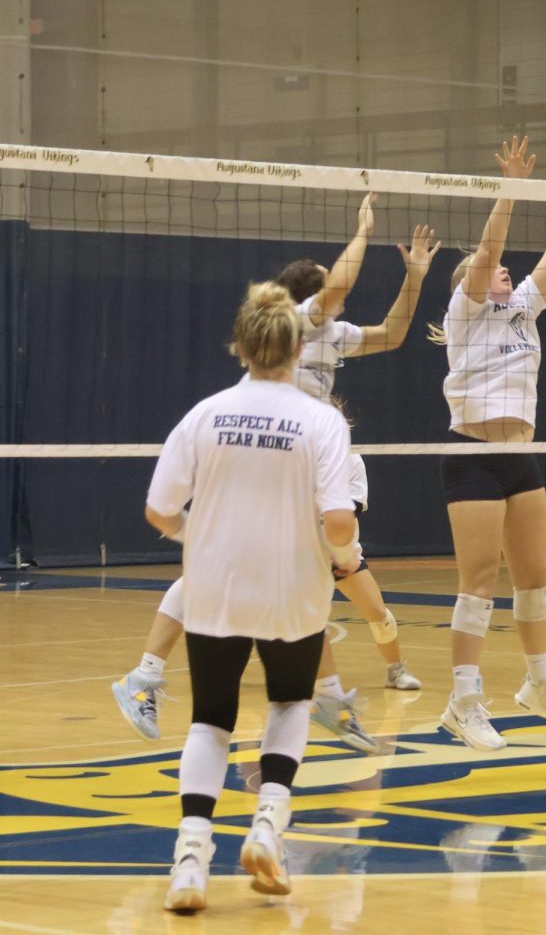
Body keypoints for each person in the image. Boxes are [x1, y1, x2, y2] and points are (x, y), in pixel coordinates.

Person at [113, 199, 438, 750]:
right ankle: (146, 675)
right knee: (230, 568)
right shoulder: (298, 320)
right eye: (327, 294)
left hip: (303, 461)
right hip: (271, 450)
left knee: (295, 577)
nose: (336, 300)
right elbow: (336, 288)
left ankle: (328, 700)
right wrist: (362, 233)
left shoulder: (332, 334)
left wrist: (416, 277)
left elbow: (394, 333)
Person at [146, 281, 358, 912]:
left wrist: (200, 534)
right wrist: (344, 557)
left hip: (216, 585)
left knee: (211, 718)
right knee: (291, 702)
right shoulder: (323, 420)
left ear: (240, 346)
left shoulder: (204, 413)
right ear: (298, 349)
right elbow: (340, 523)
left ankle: (190, 861)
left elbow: (159, 511)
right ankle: (268, 824)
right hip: (294, 585)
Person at [435, 135, 546, 750]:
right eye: (496, 271)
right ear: (473, 287)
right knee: (478, 581)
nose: (506, 271)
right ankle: (463, 701)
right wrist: (510, 186)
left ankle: (541, 683)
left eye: (509, 270)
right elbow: (487, 249)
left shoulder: (524, 309)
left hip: (520, 457)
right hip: (473, 458)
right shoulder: (466, 313)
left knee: (533, 580)